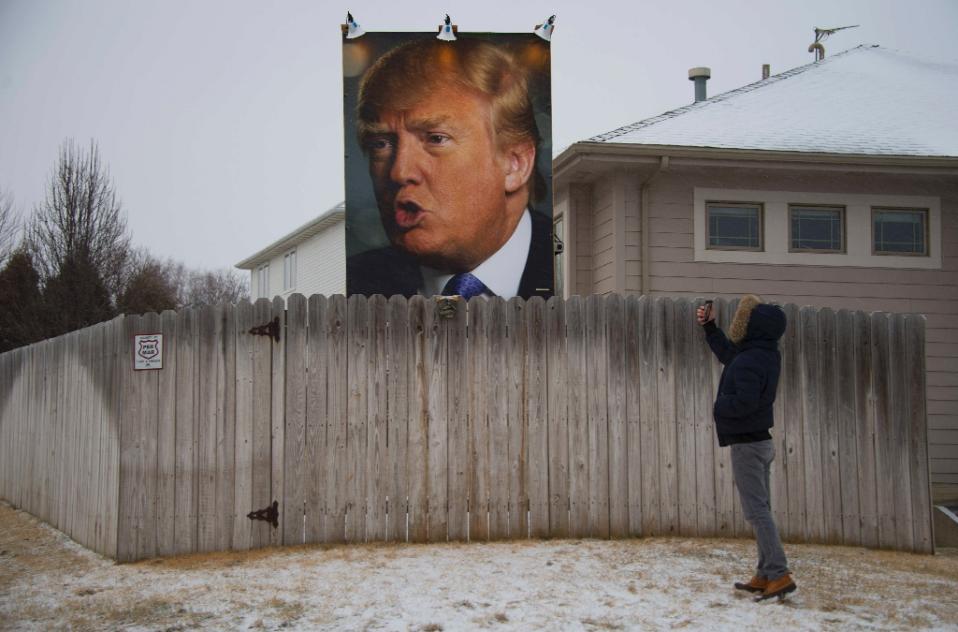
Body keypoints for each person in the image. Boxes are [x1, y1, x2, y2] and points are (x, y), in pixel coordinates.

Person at [346, 37, 554, 300]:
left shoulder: (574, 263)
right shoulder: (353, 286)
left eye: (436, 139)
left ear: (515, 163)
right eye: (381, 144)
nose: (399, 172)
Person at [696, 294, 796, 601]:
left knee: (756, 512)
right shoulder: (761, 353)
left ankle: (779, 573)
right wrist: (710, 328)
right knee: (760, 509)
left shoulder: (752, 358)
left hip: (748, 445)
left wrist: (719, 406)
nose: (741, 323)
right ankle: (765, 574)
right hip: (758, 442)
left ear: (753, 326)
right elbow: (730, 354)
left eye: (745, 319)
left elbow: (746, 401)